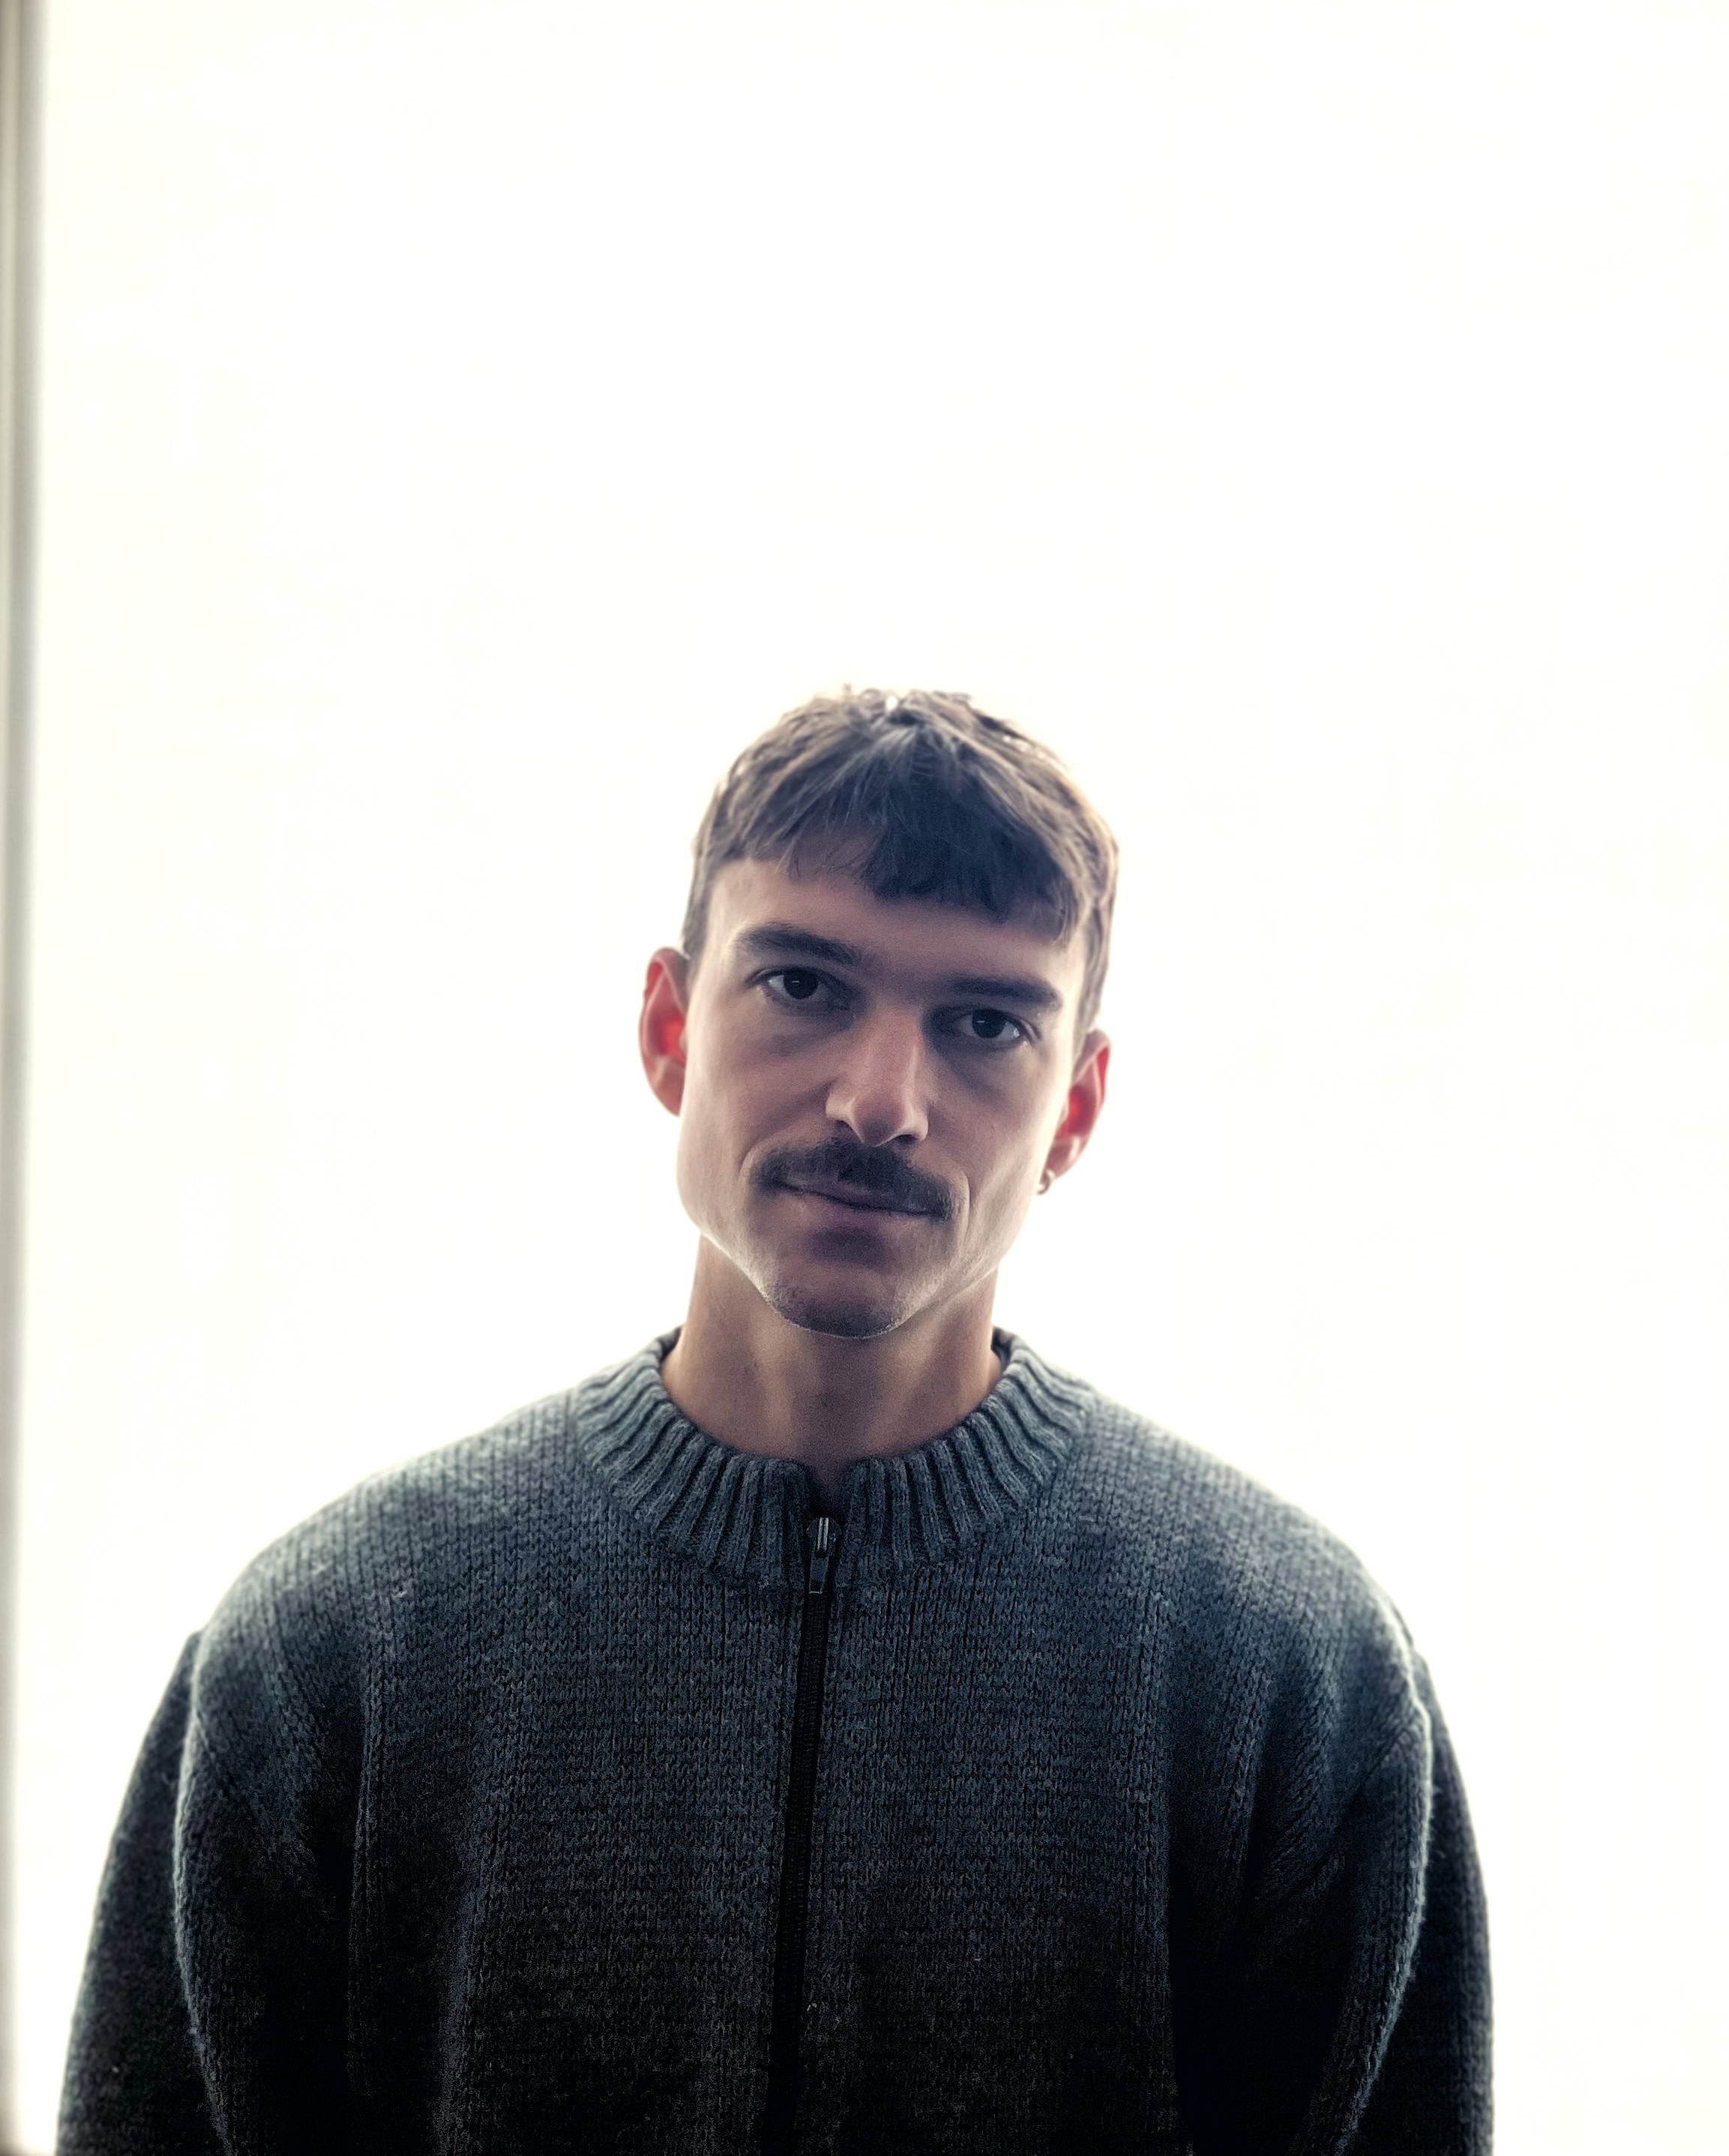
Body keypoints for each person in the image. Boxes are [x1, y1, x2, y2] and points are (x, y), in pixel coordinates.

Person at [59, 687, 1491, 2154]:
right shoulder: (337, 1650)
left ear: (1074, 1107)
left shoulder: (1293, 1676)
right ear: (670, 1028)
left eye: (986, 1022)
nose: (879, 1102)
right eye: (804, 985)